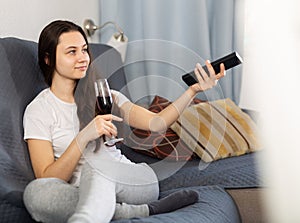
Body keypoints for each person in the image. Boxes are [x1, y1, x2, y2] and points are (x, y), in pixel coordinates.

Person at [23, 20, 225, 223]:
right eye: (72, 52)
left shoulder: (106, 97)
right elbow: (48, 177)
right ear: (48, 59)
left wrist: (192, 91)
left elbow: (157, 123)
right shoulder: (39, 110)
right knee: (35, 193)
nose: (83, 58)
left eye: (84, 50)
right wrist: (83, 137)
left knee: (98, 166)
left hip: (133, 180)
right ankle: (137, 211)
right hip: (83, 189)